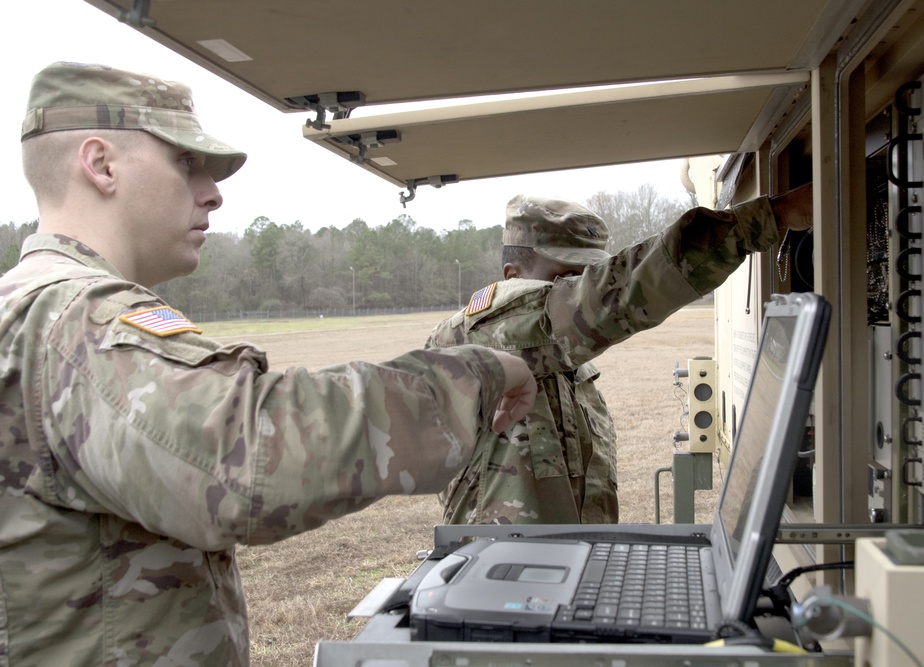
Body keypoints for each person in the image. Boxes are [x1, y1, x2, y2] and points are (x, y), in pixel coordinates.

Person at [0, 62, 537, 666]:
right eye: (186, 163)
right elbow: (248, 458)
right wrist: (479, 371)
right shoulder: (77, 321)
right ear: (101, 165)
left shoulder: (33, 310)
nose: (213, 191)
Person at [426, 186, 813, 525]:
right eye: (565, 279)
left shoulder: (565, 366)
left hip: (561, 578)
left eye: (588, 275)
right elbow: (619, 293)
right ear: (513, 278)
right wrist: (768, 218)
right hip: (496, 581)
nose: (580, 290)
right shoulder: (477, 336)